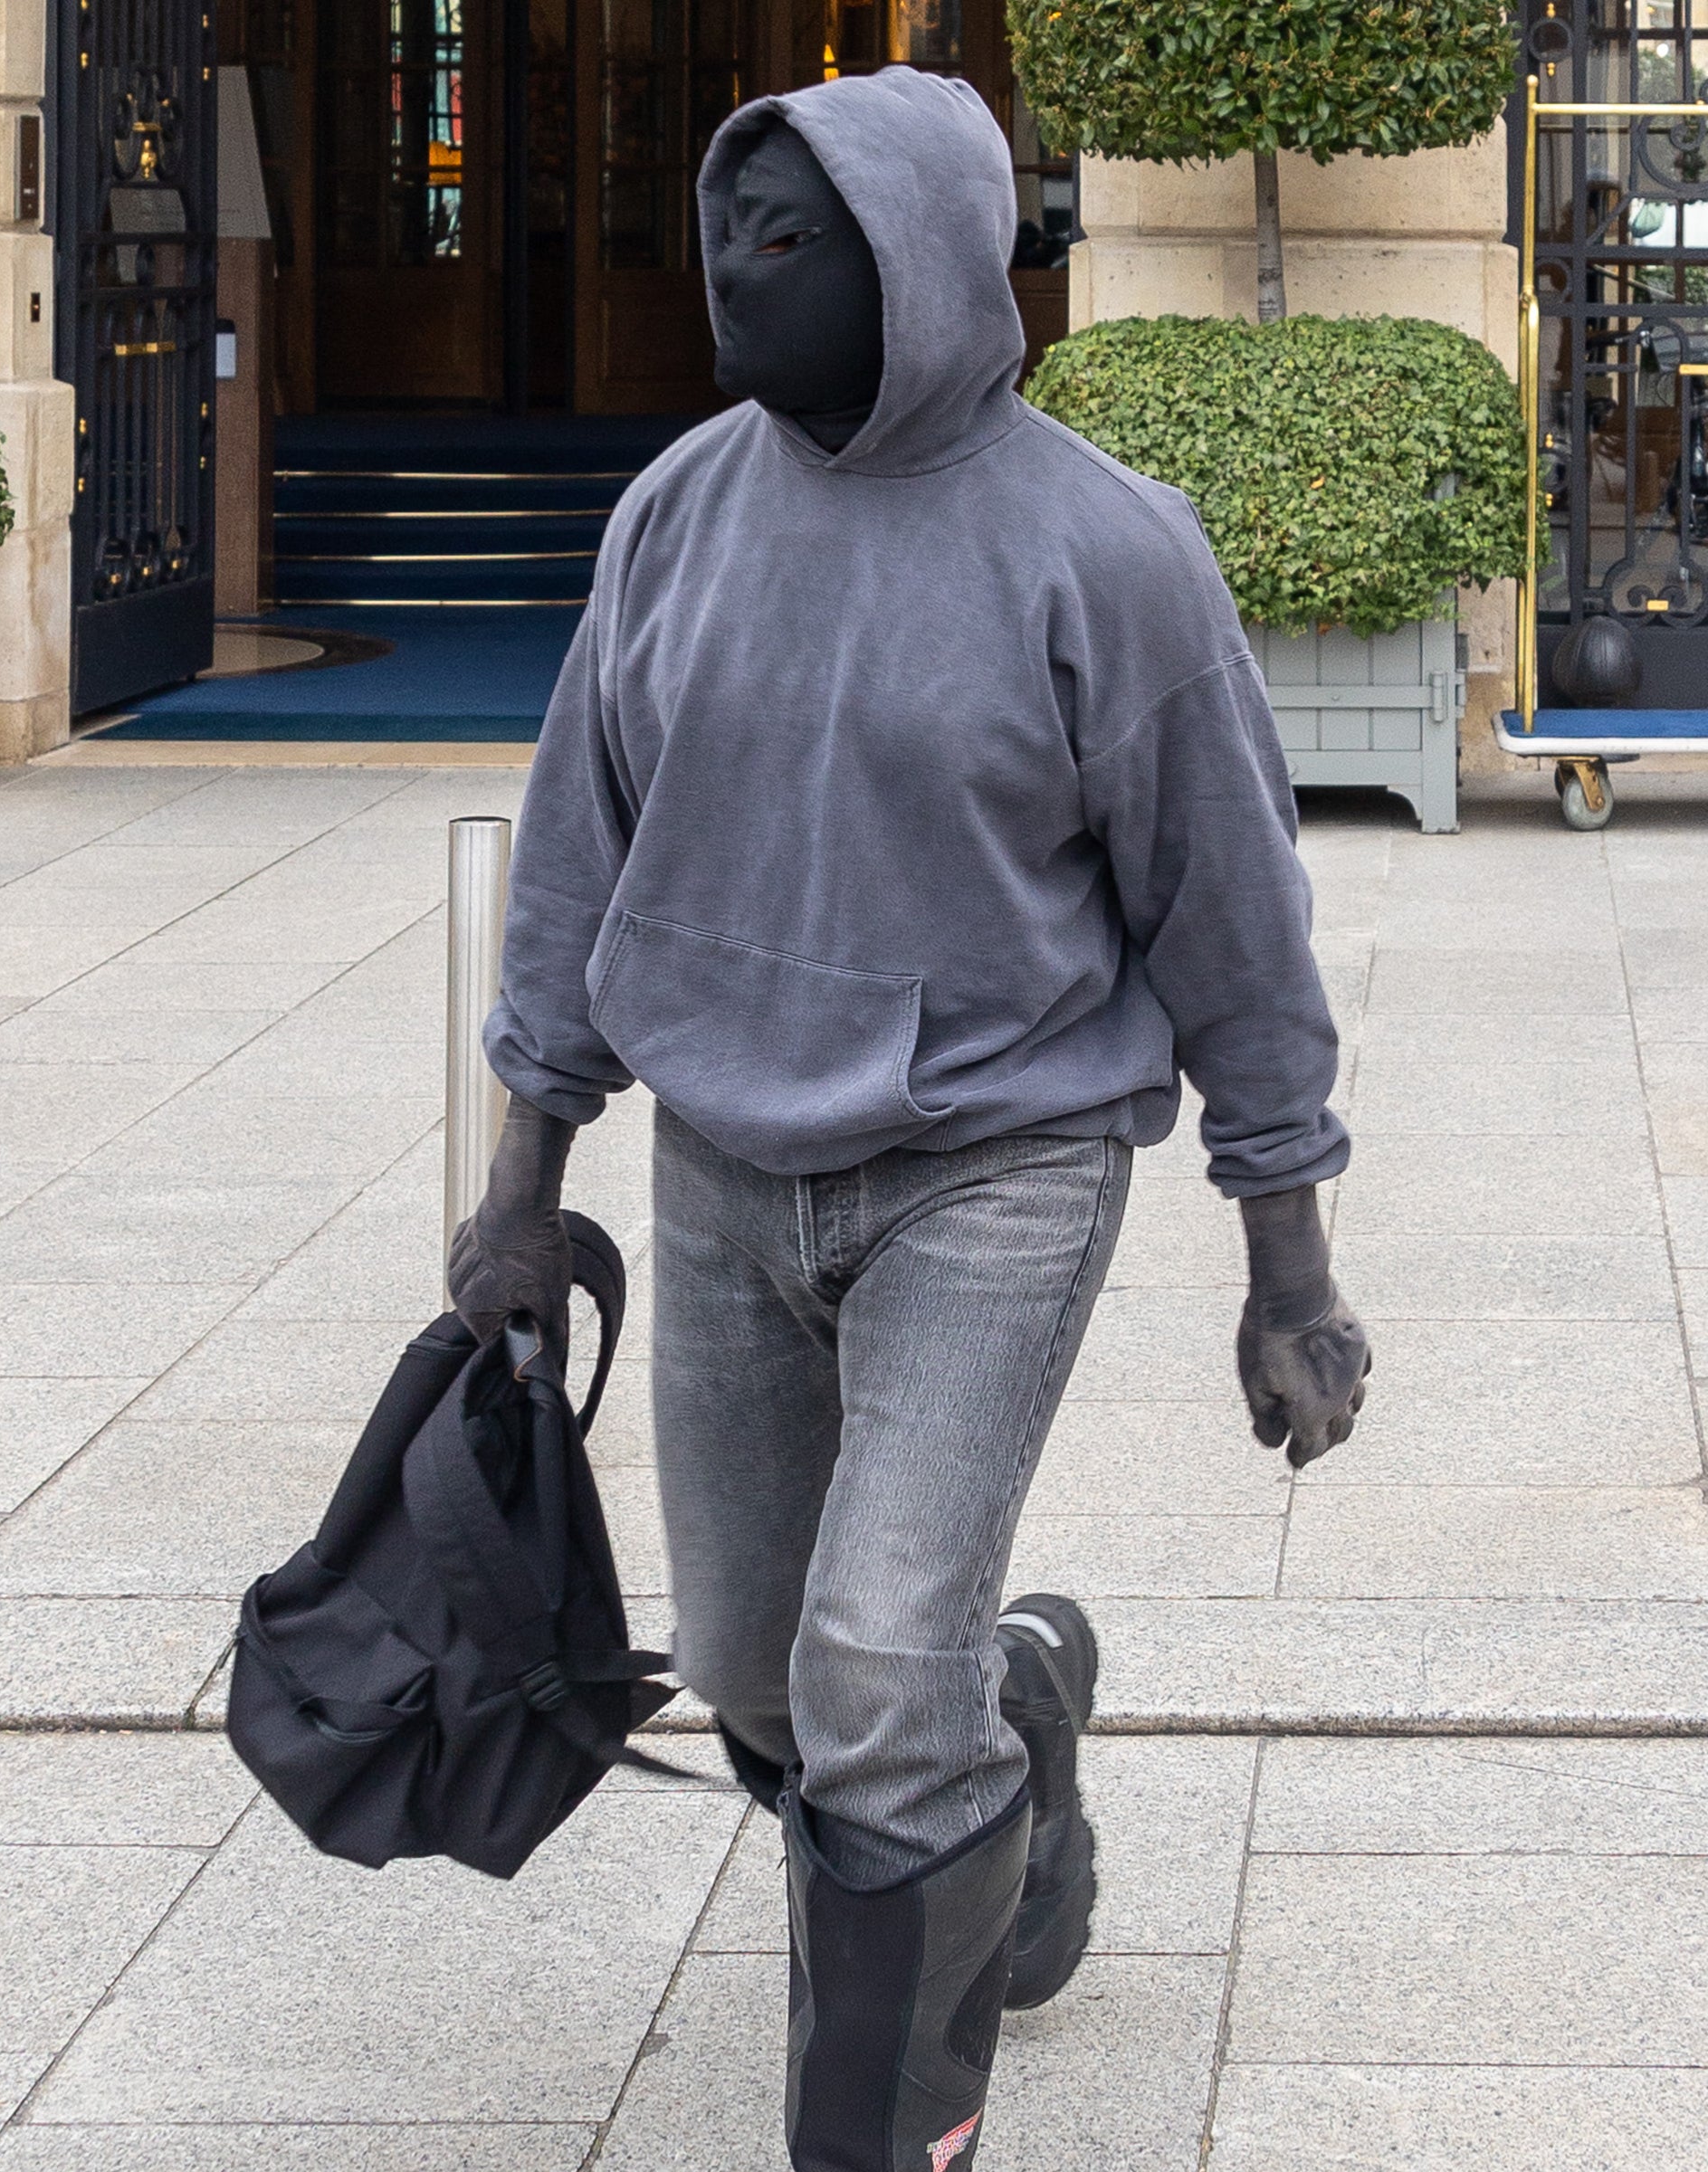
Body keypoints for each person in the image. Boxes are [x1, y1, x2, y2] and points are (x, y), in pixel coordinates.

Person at [450, 64, 1369, 2172]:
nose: (733, 278)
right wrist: (523, 1176)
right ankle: (1016, 1738)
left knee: (872, 1663)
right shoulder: (677, 507)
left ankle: (889, 2124)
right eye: (724, 235)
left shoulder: (1104, 552)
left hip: (997, 1161)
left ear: (930, 263)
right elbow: (577, 850)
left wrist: (1285, 1257)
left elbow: (1233, 915)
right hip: (718, 1164)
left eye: (788, 242)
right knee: (770, 1686)